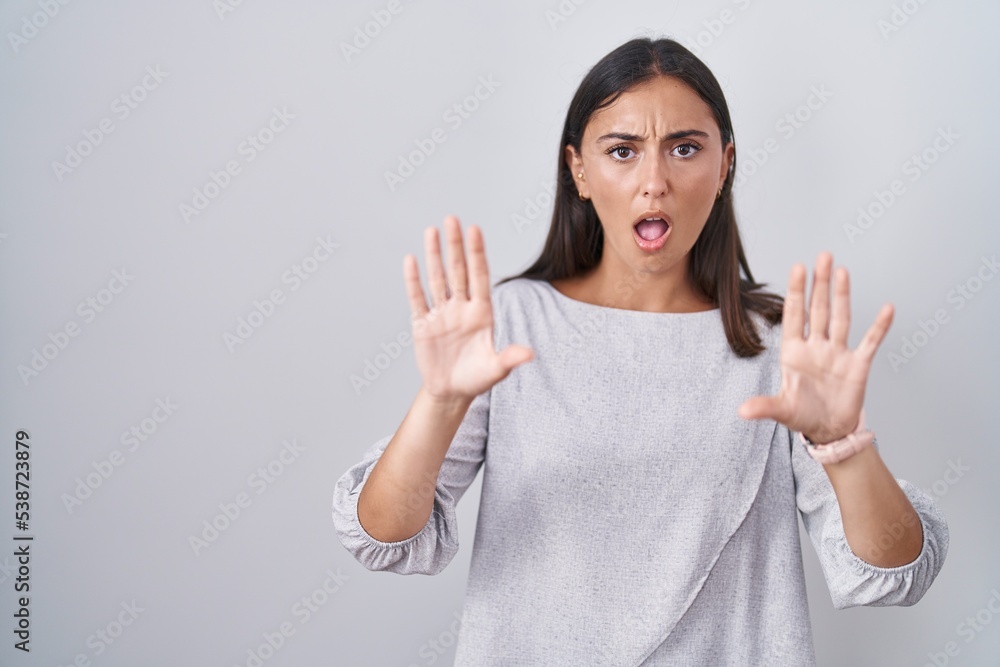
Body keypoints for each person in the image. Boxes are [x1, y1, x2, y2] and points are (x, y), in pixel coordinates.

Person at [332, 37, 948, 665]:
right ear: (578, 170)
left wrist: (843, 446)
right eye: (622, 151)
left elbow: (894, 572)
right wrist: (440, 402)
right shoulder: (510, 324)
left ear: (725, 162)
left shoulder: (780, 347)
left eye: (684, 149)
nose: (654, 182)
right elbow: (385, 534)